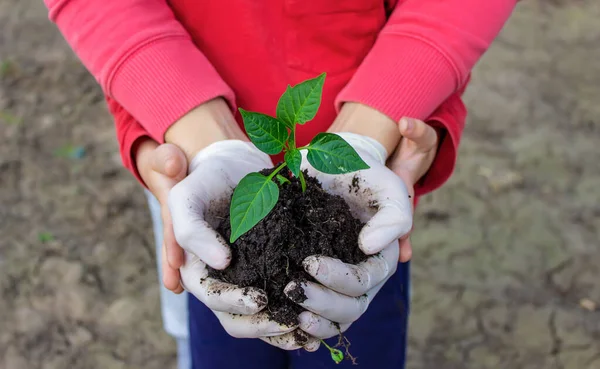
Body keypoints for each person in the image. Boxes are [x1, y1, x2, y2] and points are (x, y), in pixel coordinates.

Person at [44, 0, 518, 368]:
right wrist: (199, 137)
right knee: (220, 331)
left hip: (366, 184)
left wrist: (373, 132)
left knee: (361, 325)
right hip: (198, 165)